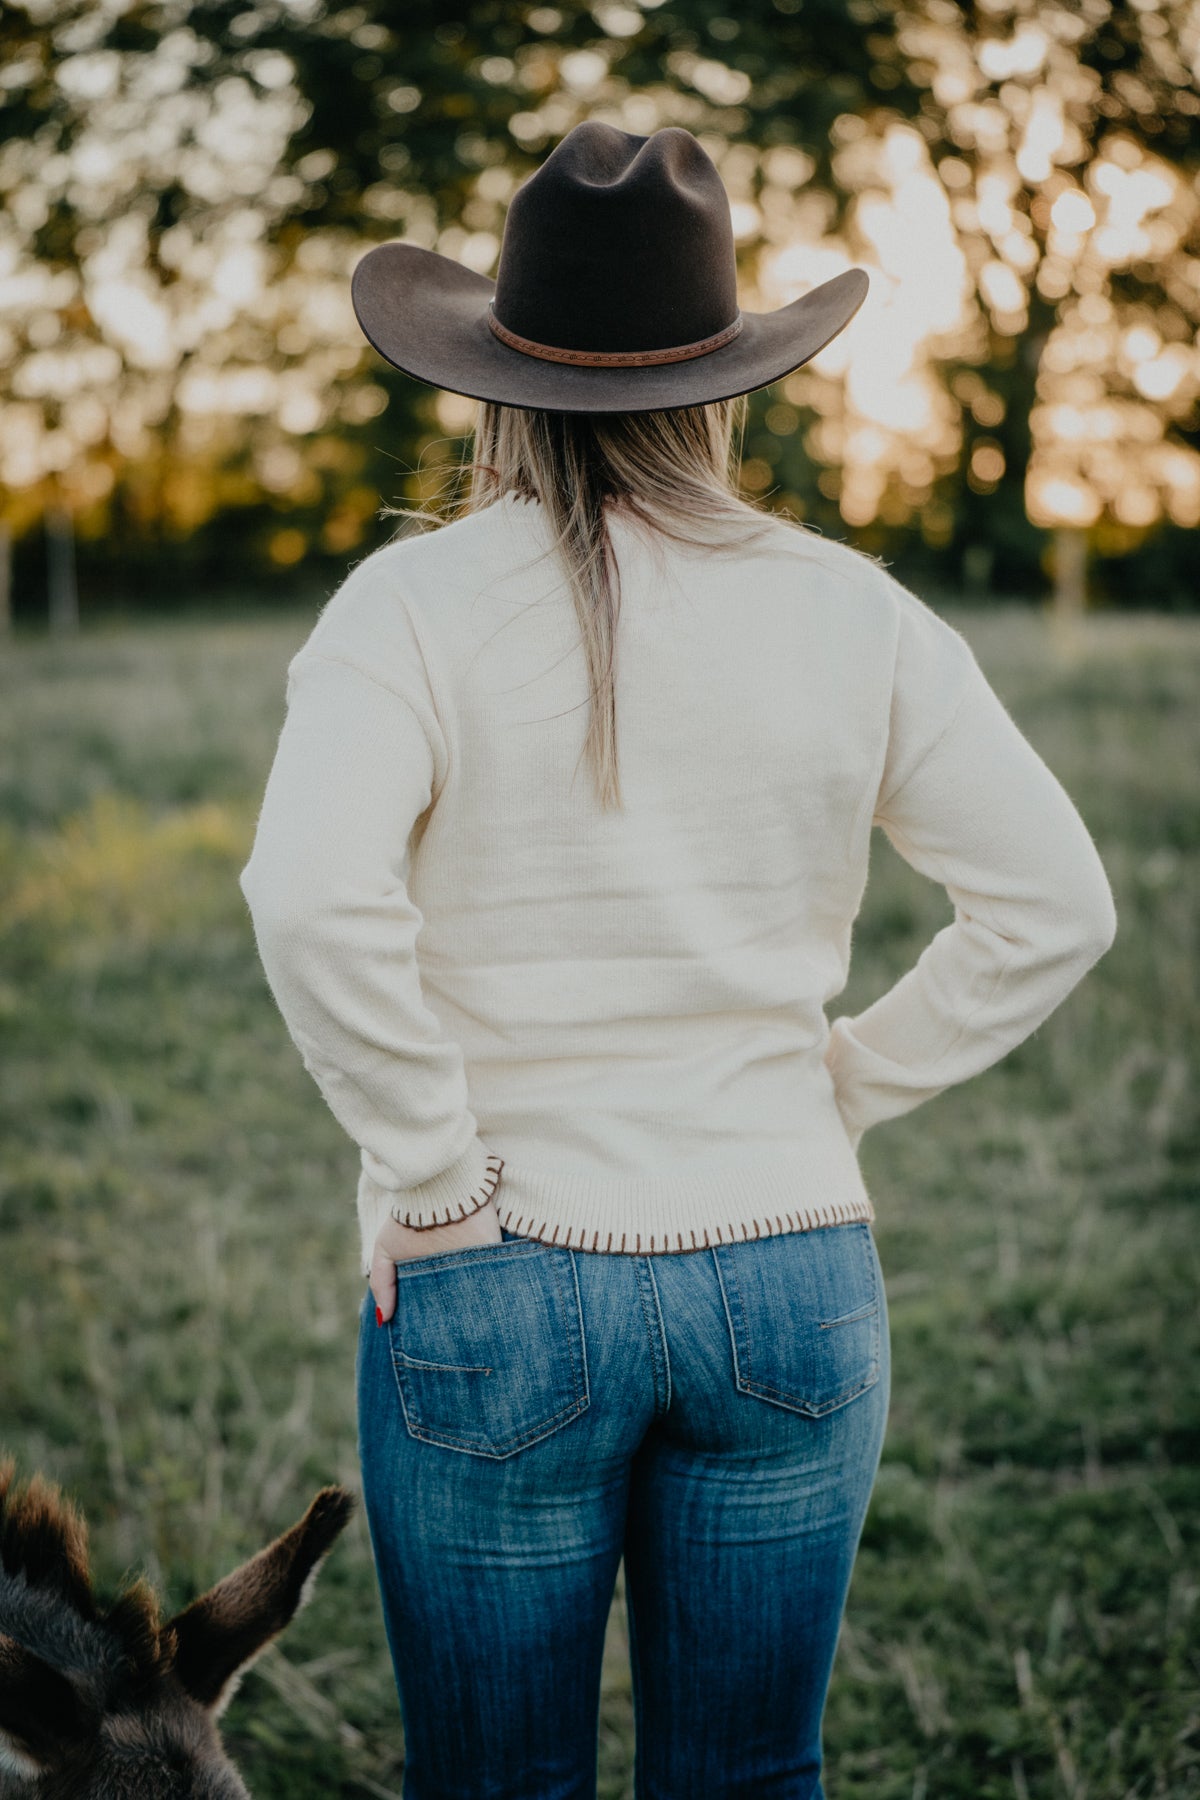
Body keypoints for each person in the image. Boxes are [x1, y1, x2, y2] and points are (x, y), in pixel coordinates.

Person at [237, 123, 1117, 1800]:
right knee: (748, 1781)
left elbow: (309, 898)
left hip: (497, 1269)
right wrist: (841, 1088)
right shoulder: (854, 611)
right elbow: (1056, 906)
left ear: (495, 379)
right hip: (793, 1270)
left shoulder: (406, 606)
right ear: (725, 384)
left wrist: (427, 1170)